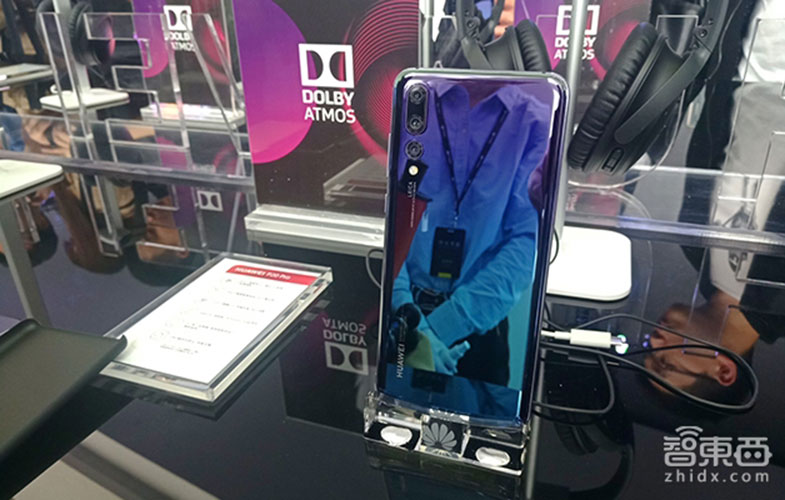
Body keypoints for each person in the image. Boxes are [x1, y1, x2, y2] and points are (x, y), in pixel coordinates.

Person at [391, 79, 550, 387]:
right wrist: (411, 319)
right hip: (402, 315)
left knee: (482, 417)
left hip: (477, 328)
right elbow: (387, 223)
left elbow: (527, 242)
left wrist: (439, 329)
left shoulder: (535, 122)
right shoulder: (409, 103)